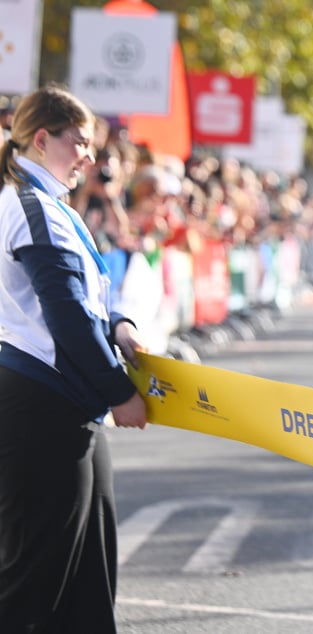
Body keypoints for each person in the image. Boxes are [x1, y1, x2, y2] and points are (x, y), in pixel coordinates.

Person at [0, 84, 148, 633]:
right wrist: (120, 392)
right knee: (34, 581)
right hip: (41, 405)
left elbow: (84, 301)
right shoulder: (31, 206)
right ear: (42, 139)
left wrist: (119, 326)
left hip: (64, 404)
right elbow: (63, 318)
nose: (90, 157)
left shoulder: (50, 204)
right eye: (81, 143)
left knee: (89, 571)